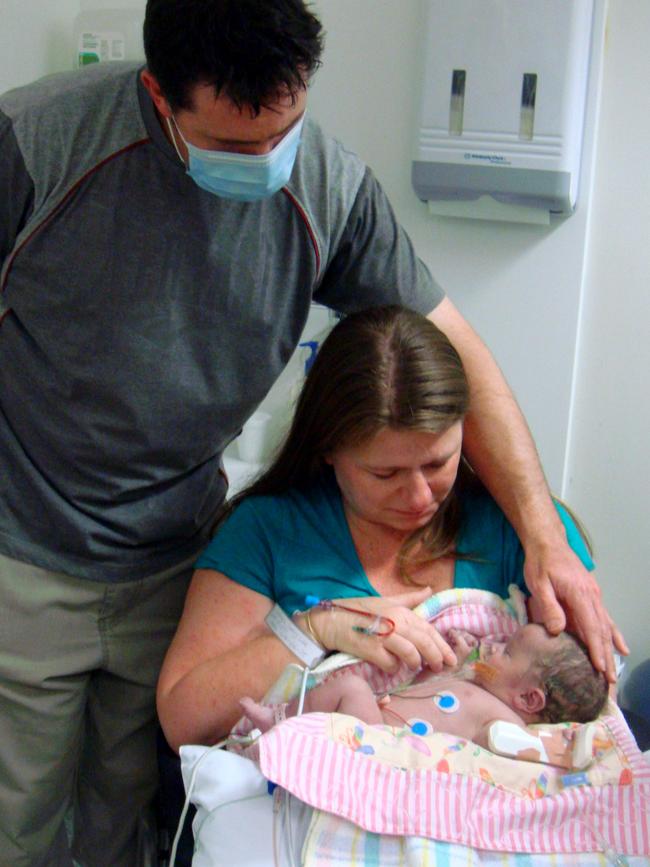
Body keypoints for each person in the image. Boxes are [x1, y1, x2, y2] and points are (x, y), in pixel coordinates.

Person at [0, 1, 624, 863]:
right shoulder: (38, 144)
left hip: (170, 552)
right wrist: (318, 631)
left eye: (281, 133)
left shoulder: (327, 188)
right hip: (25, 548)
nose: (264, 163)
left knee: (127, 815)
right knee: (19, 814)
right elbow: (207, 699)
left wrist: (546, 536)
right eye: (231, 146)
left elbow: (454, 353)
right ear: (156, 94)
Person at [157, 306, 608, 756]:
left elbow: (585, 707)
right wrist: (315, 631)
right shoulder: (266, 532)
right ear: (328, 448)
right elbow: (184, 720)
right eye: (384, 474)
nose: (417, 497)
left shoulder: (530, 536)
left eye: (437, 463)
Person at [240, 623, 609, 769]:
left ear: (529, 700)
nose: (492, 648)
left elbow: (518, 753)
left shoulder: (505, 724)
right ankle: (280, 734)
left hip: (384, 749)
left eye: (507, 653)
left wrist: (569, 748)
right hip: (372, 729)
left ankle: (279, 721)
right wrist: (452, 666)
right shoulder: (474, 682)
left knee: (352, 687)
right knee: (349, 690)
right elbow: (423, 687)